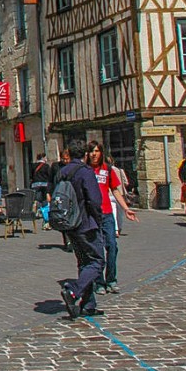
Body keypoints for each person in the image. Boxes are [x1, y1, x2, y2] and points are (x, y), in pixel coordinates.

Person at [58, 137, 106, 319]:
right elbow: (94, 199)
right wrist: (98, 219)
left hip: (70, 224)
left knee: (84, 262)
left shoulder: (63, 172)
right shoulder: (85, 172)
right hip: (86, 223)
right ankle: (73, 291)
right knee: (97, 261)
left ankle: (89, 304)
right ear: (85, 154)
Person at [87, 141, 138, 295]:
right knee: (97, 251)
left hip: (107, 214)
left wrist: (126, 208)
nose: (94, 154)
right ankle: (99, 282)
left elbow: (115, 190)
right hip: (92, 215)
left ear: (101, 153)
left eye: (97, 151)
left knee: (112, 246)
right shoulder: (85, 170)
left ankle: (111, 280)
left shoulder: (107, 170)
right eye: (91, 151)